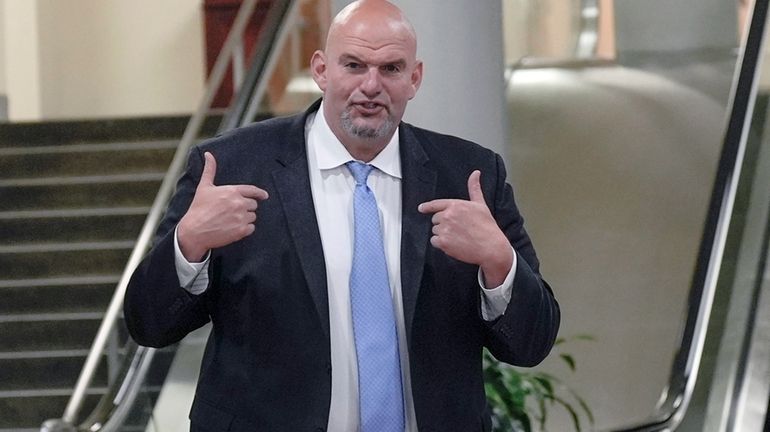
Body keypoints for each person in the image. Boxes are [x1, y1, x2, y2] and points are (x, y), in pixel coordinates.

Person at [124, 1, 559, 431]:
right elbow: (149, 324)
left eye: (390, 68)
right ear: (320, 70)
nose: (370, 85)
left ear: (415, 78)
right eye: (353, 65)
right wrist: (189, 244)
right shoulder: (230, 167)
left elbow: (531, 343)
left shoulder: (467, 175)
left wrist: (499, 263)